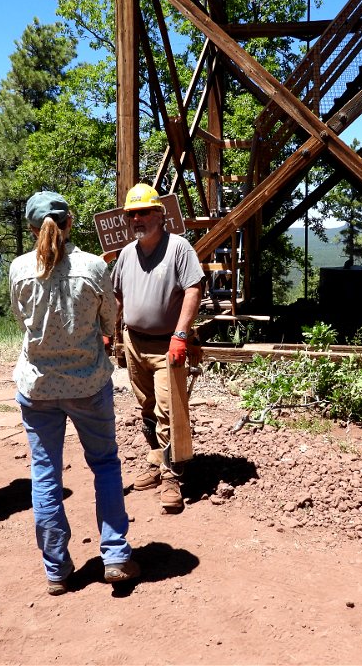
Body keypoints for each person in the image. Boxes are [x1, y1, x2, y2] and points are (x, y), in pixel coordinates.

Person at [9, 191, 140, 594]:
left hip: (38, 386)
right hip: (87, 384)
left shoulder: (19, 269)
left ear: (33, 230)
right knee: (104, 464)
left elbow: (22, 320)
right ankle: (115, 555)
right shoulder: (93, 267)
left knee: (45, 472)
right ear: (70, 222)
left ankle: (57, 571)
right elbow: (108, 321)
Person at [111, 183, 204, 513]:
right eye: (132, 214)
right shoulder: (126, 253)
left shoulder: (179, 248)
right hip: (134, 342)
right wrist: (112, 331)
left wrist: (181, 335)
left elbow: (193, 290)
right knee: (146, 408)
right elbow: (117, 296)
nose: (137, 219)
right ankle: (156, 461)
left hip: (168, 345)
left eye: (144, 212)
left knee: (169, 411)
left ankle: (171, 476)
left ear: (159, 214)